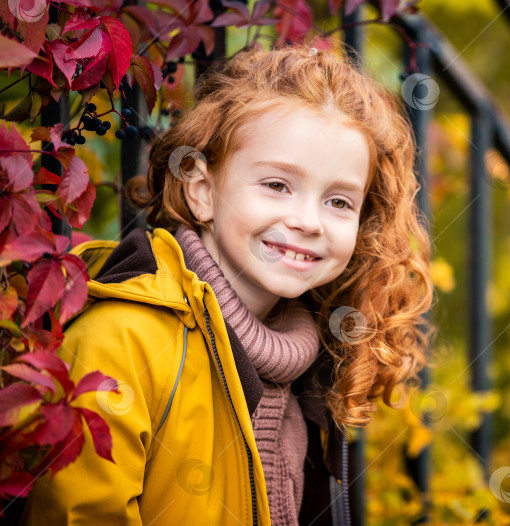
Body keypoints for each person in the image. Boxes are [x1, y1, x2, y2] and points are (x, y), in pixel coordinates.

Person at [20, 44, 435, 525]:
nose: (308, 221)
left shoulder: (311, 368)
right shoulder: (123, 341)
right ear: (201, 190)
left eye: (339, 201)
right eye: (277, 185)